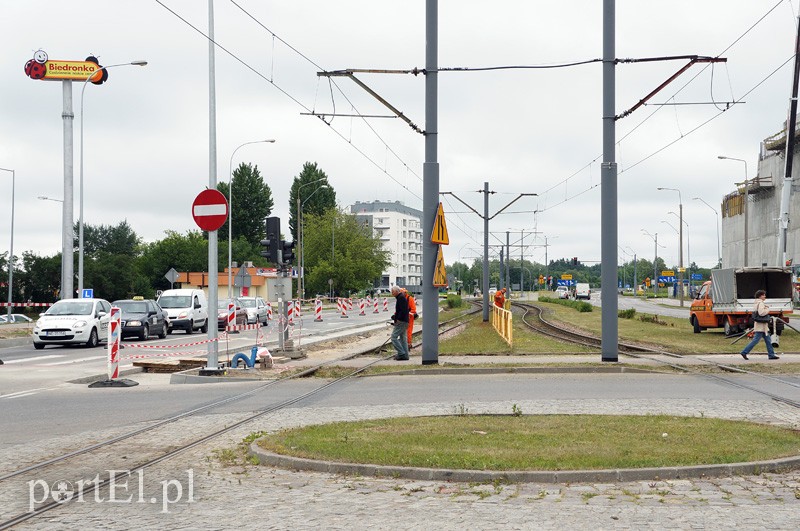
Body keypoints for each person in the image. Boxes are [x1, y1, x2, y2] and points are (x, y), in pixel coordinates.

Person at [740, 289, 779, 360]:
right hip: (761, 325)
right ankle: (744, 352)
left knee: (768, 340)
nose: (765, 296)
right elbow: (761, 313)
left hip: (761, 325)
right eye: (763, 295)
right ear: (760, 296)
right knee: (755, 340)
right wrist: (767, 309)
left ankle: (771, 354)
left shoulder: (756, 303)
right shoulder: (760, 303)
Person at [390, 286, 410, 360]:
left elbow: (404, 310)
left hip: (401, 321)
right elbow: (402, 310)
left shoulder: (400, 298)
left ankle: (401, 353)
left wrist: (398, 318)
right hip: (405, 321)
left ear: (397, 291)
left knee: (393, 337)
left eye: (393, 292)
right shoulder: (400, 297)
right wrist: (395, 316)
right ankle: (405, 356)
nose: (392, 293)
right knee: (403, 339)